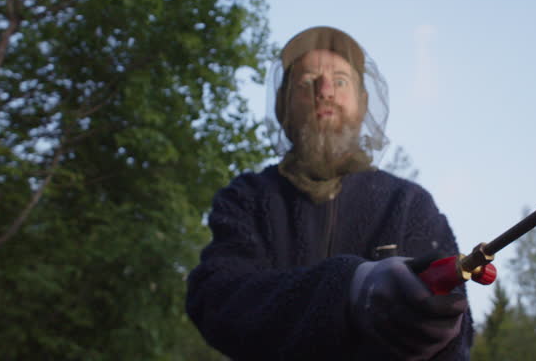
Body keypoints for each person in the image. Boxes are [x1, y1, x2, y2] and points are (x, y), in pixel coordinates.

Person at [186, 26, 472, 360]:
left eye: (340, 81)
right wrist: (350, 286)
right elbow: (218, 296)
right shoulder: (248, 197)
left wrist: (436, 327)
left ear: (363, 102)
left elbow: (459, 332)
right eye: (307, 81)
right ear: (284, 103)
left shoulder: (408, 203)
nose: (324, 91)